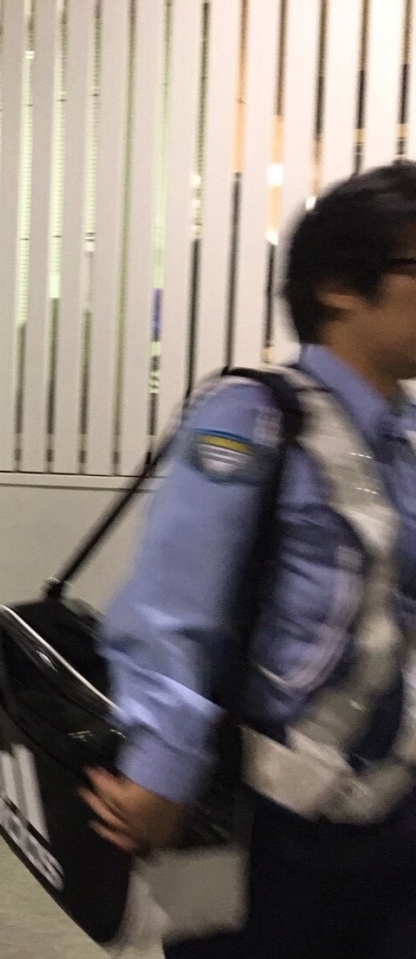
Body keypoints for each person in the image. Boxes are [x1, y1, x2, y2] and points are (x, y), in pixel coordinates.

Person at [84, 160, 416, 958]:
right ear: (339, 285)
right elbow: (174, 604)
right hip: (268, 826)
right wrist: (162, 772)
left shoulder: (403, 440)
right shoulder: (253, 416)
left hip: (395, 816)